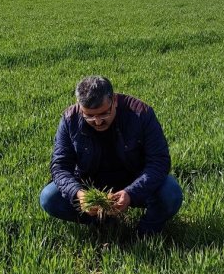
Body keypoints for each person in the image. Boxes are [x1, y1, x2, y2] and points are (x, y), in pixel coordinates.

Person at [40, 75, 183, 237]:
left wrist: (131, 193)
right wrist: (79, 194)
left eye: (103, 114)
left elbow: (159, 161)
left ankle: (145, 233)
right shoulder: (69, 119)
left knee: (170, 192)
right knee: (49, 198)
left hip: (135, 180)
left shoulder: (141, 113)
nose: (98, 122)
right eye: (89, 116)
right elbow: (59, 167)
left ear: (114, 100)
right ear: (80, 108)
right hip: (90, 184)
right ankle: (102, 223)